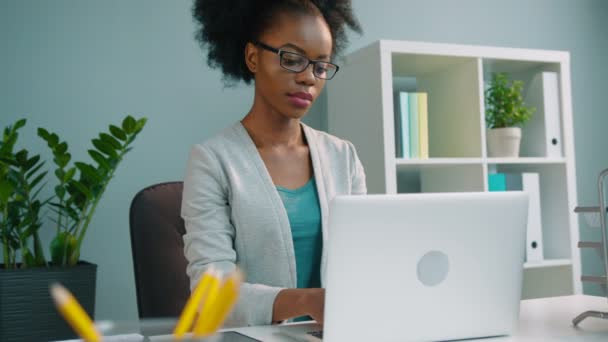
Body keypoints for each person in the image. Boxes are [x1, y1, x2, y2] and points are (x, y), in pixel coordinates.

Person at [182, 0, 365, 327]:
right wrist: (307, 300)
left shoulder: (343, 157)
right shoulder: (212, 160)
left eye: (320, 67)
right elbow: (210, 294)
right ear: (253, 57)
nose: (309, 78)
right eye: (292, 59)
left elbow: (366, 260)